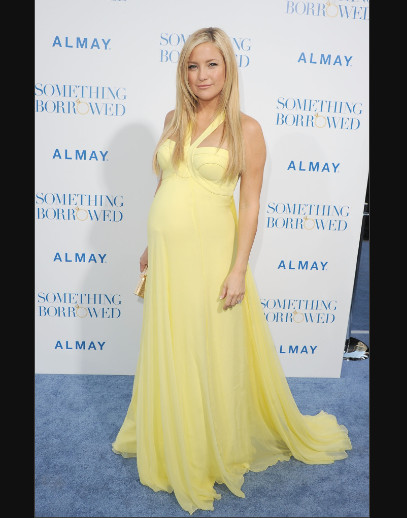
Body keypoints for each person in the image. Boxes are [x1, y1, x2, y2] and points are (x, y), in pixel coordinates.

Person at [112, 27, 352, 515]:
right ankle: (175, 434)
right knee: (174, 343)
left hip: (212, 256)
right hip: (168, 255)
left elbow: (249, 205)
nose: (201, 75)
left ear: (228, 69)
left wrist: (239, 268)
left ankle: (207, 447)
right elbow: (167, 185)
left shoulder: (248, 129)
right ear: (183, 71)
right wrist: (150, 243)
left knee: (209, 347)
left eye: (211, 65)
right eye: (192, 66)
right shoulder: (172, 119)